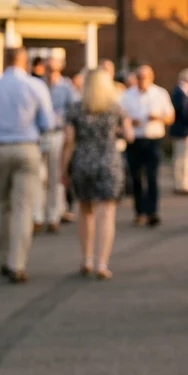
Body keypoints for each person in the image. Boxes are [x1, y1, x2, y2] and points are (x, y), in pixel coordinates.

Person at [61, 68, 133, 280]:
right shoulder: (115, 108)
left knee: (85, 210)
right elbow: (129, 135)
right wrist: (117, 132)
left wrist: (63, 168)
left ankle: (86, 259)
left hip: (83, 161)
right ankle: (102, 263)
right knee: (106, 212)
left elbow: (68, 141)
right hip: (108, 161)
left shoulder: (76, 109)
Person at [0, 48, 55, 284]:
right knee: (22, 208)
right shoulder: (35, 86)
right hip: (26, 146)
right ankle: (16, 263)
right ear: (24, 61)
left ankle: (2, 258)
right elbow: (47, 121)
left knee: (1, 206)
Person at [120, 65, 174, 227]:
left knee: (152, 176)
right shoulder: (127, 95)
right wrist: (129, 122)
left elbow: (170, 117)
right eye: (140, 78)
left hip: (152, 139)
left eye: (145, 78)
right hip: (135, 140)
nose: (142, 81)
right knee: (136, 176)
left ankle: (152, 211)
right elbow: (120, 118)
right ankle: (139, 211)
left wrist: (158, 118)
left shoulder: (160, 94)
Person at [36, 53, 79, 232]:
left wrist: (70, 134)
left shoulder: (66, 88)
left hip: (58, 134)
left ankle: (54, 216)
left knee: (56, 176)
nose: (50, 73)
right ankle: (37, 215)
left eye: (53, 70)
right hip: (39, 135)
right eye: (48, 69)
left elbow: (74, 111)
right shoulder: (37, 86)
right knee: (39, 177)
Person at [170, 67, 188, 194]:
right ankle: (182, 184)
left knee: (186, 158)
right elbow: (184, 111)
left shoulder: (182, 91)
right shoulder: (181, 92)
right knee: (183, 158)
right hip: (183, 130)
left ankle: (186, 183)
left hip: (183, 129)